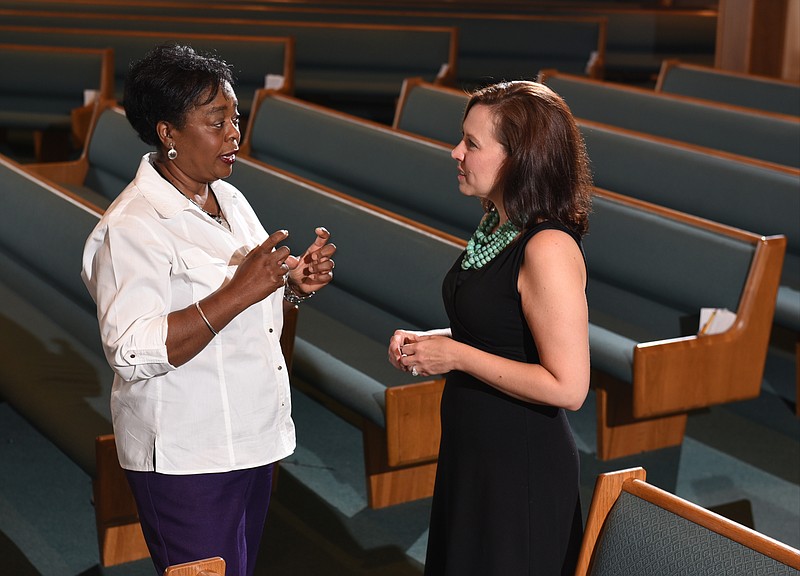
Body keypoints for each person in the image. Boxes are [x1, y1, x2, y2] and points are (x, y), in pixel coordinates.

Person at [81, 44, 336, 576]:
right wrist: (242, 290)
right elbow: (130, 350)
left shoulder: (229, 198)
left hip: (247, 438)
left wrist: (292, 285)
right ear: (167, 132)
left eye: (236, 118)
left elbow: (255, 297)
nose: (234, 134)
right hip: (184, 456)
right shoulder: (132, 227)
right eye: (216, 121)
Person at [388, 80, 592, 575]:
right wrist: (434, 344)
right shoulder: (498, 226)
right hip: (473, 450)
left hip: (519, 467)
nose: (455, 152)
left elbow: (569, 387)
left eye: (472, 144)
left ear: (519, 159)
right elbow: (500, 331)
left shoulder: (547, 248)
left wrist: (455, 355)